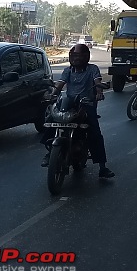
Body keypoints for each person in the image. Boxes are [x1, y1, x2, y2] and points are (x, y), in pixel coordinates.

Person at [40, 44, 114, 178]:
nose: (75, 59)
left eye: (78, 56)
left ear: (86, 57)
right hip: (69, 104)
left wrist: (99, 92)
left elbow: (98, 82)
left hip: (86, 105)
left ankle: (102, 167)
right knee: (52, 121)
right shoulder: (68, 71)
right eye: (73, 56)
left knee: (95, 133)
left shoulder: (92, 69)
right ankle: (49, 152)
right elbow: (60, 85)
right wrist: (53, 94)